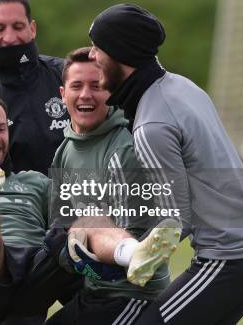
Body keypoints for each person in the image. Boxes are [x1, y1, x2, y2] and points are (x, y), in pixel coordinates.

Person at [0, 91, 177, 324]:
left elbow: (76, 227)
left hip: (36, 273)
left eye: (1, 128)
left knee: (86, 220)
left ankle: (132, 253)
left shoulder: (34, 182)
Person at [87, 3, 243, 324]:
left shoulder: (152, 124)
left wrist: (120, 249)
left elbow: (174, 220)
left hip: (231, 259)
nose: (92, 56)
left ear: (120, 52)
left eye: (98, 47)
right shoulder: (182, 86)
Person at [45, 47, 174, 325]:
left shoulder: (124, 148)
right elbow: (59, 228)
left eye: (97, 86)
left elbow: (138, 243)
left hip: (133, 295)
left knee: (90, 221)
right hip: (95, 290)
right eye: (77, 86)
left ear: (111, 92)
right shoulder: (64, 150)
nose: (86, 95)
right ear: (62, 94)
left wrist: (78, 257)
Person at [0, 0, 70, 175]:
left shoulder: (68, 77)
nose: (9, 38)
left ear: (32, 29)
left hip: (77, 199)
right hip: (18, 202)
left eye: (18, 27)